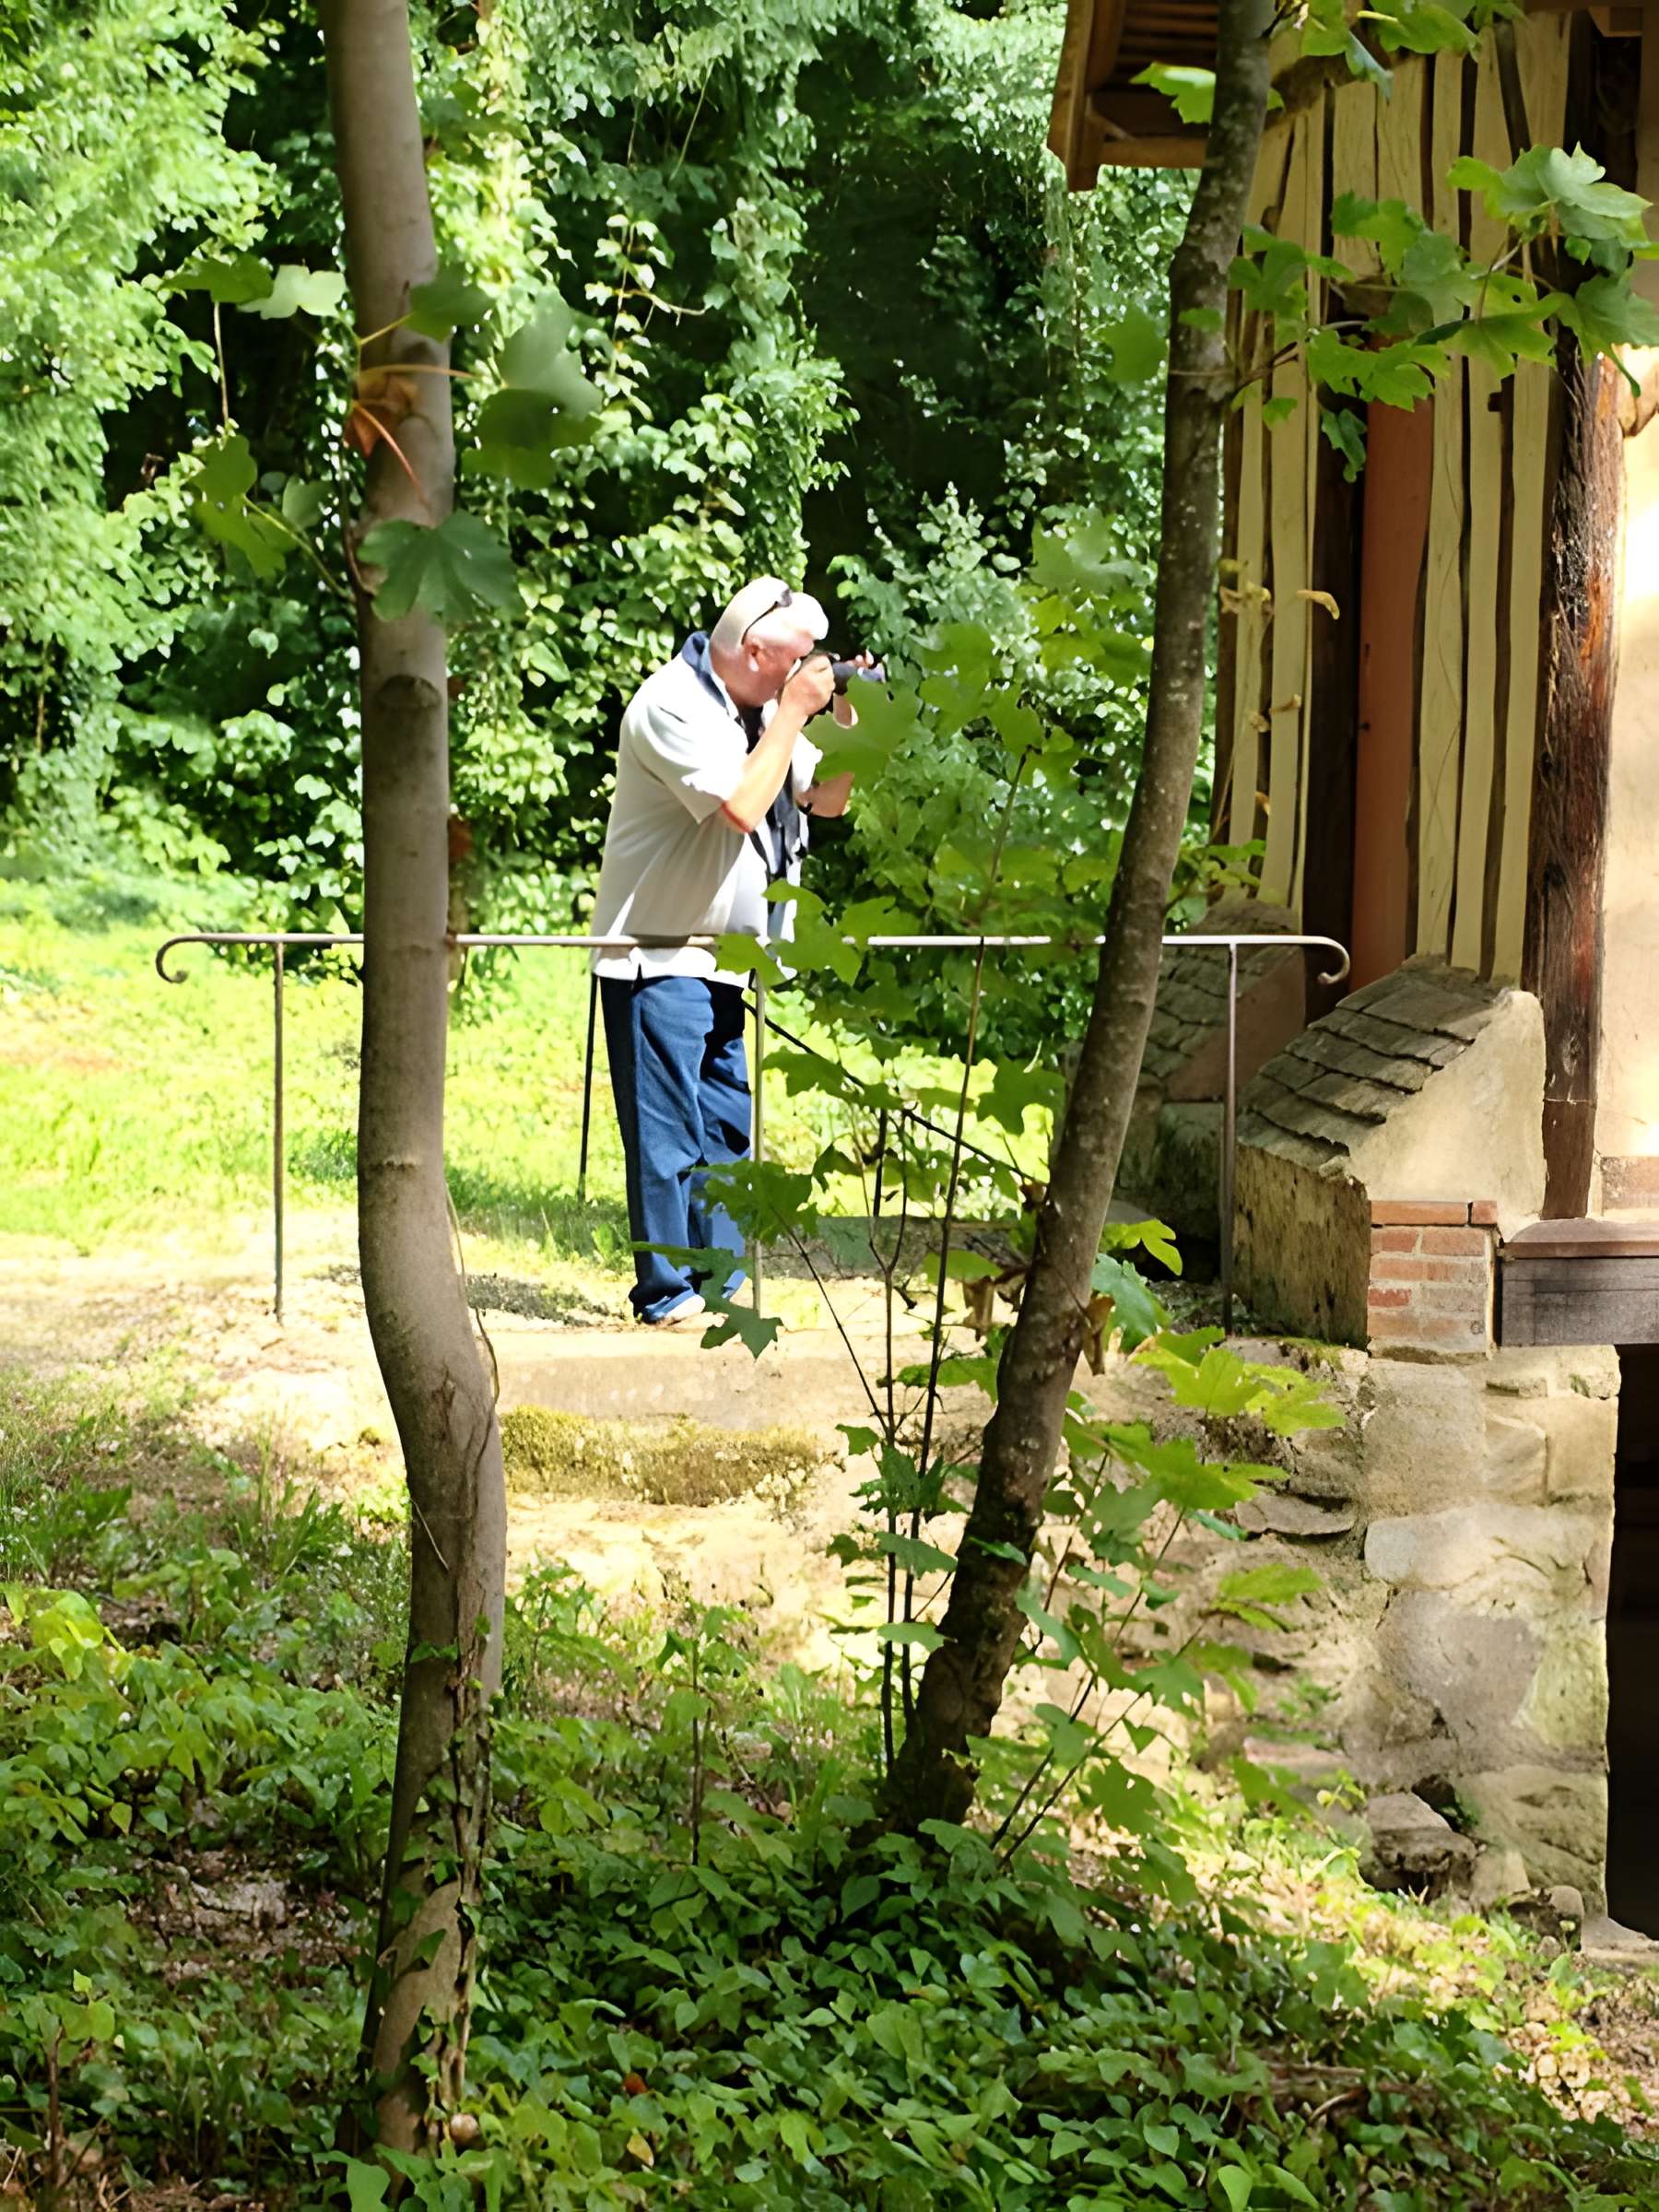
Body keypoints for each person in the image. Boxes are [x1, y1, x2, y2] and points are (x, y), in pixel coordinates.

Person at [590, 579, 857, 1326]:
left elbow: (824, 800)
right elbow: (741, 805)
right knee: (667, 1132)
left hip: (724, 958)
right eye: (798, 660)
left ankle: (721, 1286)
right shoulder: (671, 703)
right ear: (752, 650)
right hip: (659, 953)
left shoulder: (765, 710)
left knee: (723, 1128)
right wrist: (796, 715)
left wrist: (847, 724)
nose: (805, 672)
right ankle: (667, 1293)